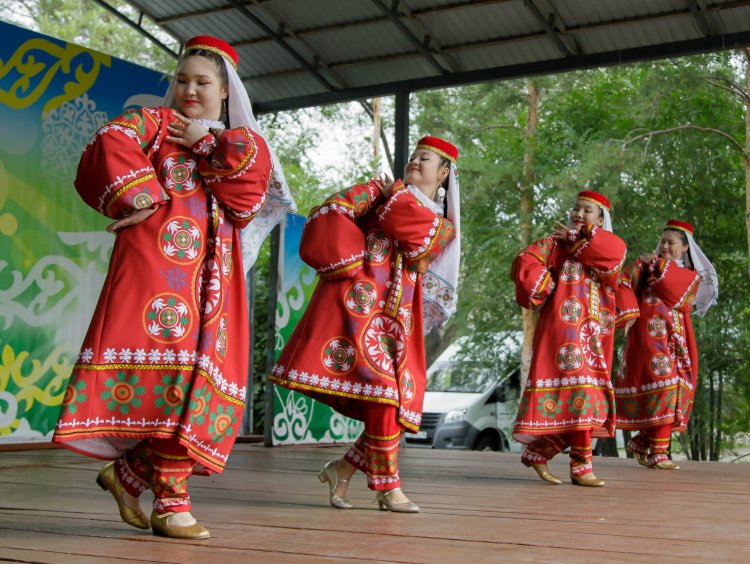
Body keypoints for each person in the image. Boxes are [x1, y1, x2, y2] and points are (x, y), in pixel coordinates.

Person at [53, 35, 294, 539]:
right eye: (182, 80)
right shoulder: (152, 125)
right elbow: (106, 143)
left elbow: (248, 191)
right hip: (153, 273)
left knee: (197, 385)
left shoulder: (241, 141)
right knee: (174, 380)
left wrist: (204, 141)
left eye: (202, 82)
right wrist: (138, 197)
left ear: (226, 91)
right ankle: (171, 505)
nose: (189, 90)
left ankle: (128, 476)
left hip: (214, 281)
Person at [270, 136, 460, 512]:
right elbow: (329, 213)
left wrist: (392, 194)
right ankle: (388, 488)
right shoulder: (375, 192)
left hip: (396, 325)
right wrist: (352, 261)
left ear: (443, 174)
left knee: (396, 406)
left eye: (425, 160)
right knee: (385, 395)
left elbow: (414, 236)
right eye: (413, 157)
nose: (415, 163)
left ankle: (341, 469)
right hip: (355, 311)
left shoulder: (442, 226)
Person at [511, 190, 627, 487]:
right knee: (584, 396)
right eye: (576, 209)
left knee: (585, 398)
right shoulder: (554, 245)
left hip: (594, 335)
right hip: (563, 331)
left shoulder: (602, 245)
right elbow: (524, 261)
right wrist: (547, 285)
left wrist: (581, 237)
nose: (579, 213)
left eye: (587, 210)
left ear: (601, 219)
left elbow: (615, 255)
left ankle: (540, 452)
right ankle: (581, 467)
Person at [615, 219, 717, 469]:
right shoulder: (644, 266)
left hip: (678, 340)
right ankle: (658, 452)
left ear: (685, 248)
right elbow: (623, 284)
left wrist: (656, 263)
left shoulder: (689, 275)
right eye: (662, 242)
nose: (665, 246)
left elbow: (680, 298)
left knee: (678, 390)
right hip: (648, 339)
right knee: (665, 386)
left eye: (671, 243)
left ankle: (642, 442)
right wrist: (627, 313)